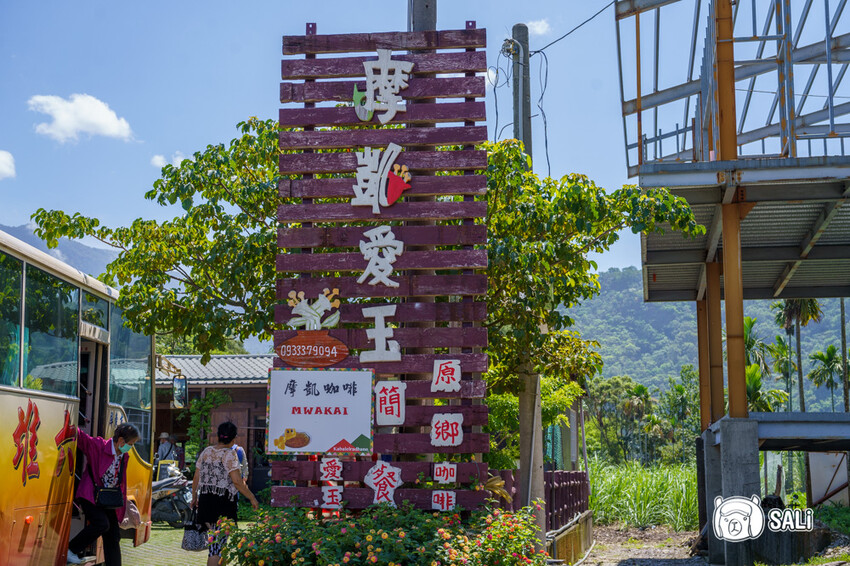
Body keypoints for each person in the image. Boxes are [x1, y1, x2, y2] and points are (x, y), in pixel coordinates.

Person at [67, 423, 140, 566]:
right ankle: (72, 549)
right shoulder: (99, 446)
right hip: (89, 495)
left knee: (113, 535)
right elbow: (81, 437)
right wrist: (68, 417)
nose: (131, 447)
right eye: (130, 444)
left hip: (106, 499)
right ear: (120, 441)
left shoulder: (123, 457)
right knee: (102, 524)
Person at [193, 422, 258, 566]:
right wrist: (252, 497)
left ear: (218, 436)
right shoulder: (230, 454)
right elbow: (237, 481)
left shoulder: (206, 451)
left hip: (205, 502)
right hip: (222, 506)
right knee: (216, 548)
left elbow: (196, 477)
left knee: (219, 545)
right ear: (234, 438)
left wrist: (194, 497)